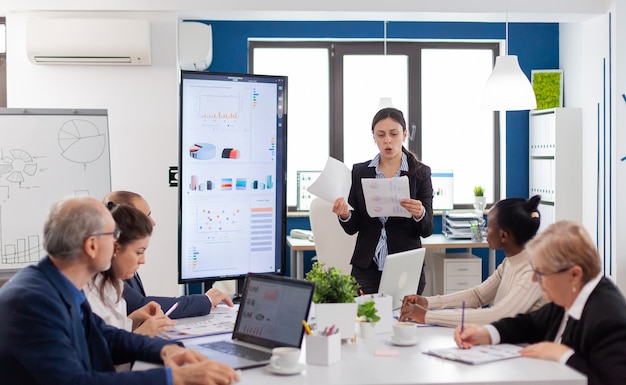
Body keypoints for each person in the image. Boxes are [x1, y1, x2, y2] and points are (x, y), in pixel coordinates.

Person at [0, 196, 239, 385]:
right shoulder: (32, 301)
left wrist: (166, 350)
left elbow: (106, 336)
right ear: (92, 246)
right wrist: (175, 378)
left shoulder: (57, 284)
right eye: (113, 235)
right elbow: (73, 382)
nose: (117, 243)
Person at [455, 221, 626, 385]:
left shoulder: (608, 320)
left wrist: (564, 355)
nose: (534, 279)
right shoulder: (570, 297)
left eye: (541, 273)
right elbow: (529, 323)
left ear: (574, 275)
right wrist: (486, 333)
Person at [400, 195, 547, 327]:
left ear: (504, 235)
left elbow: (499, 316)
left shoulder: (533, 271)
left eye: (488, 227)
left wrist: (428, 316)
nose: (484, 231)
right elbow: (478, 296)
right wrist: (427, 303)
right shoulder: (510, 262)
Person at [332, 107, 434, 294]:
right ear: (374, 137)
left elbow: (427, 230)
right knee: (365, 320)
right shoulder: (360, 172)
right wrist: (345, 215)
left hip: (405, 266)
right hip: (366, 266)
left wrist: (420, 213)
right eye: (381, 134)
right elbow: (353, 227)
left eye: (394, 134)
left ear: (404, 135)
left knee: (402, 320)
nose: (387, 140)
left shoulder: (420, 173)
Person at [103, 191, 233, 319]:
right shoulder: (104, 274)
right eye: (145, 217)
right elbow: (139, 305)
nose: (153, 223)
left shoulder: (119, 270)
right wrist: (207, 300)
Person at [85, 203, 176, 340]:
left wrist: (135, 318)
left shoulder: (115, 285)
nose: (142, 260)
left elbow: (114, 333)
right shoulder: (88, 296)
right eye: (139, 252)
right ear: (114, 248)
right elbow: (101, 354)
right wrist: (143, 333)